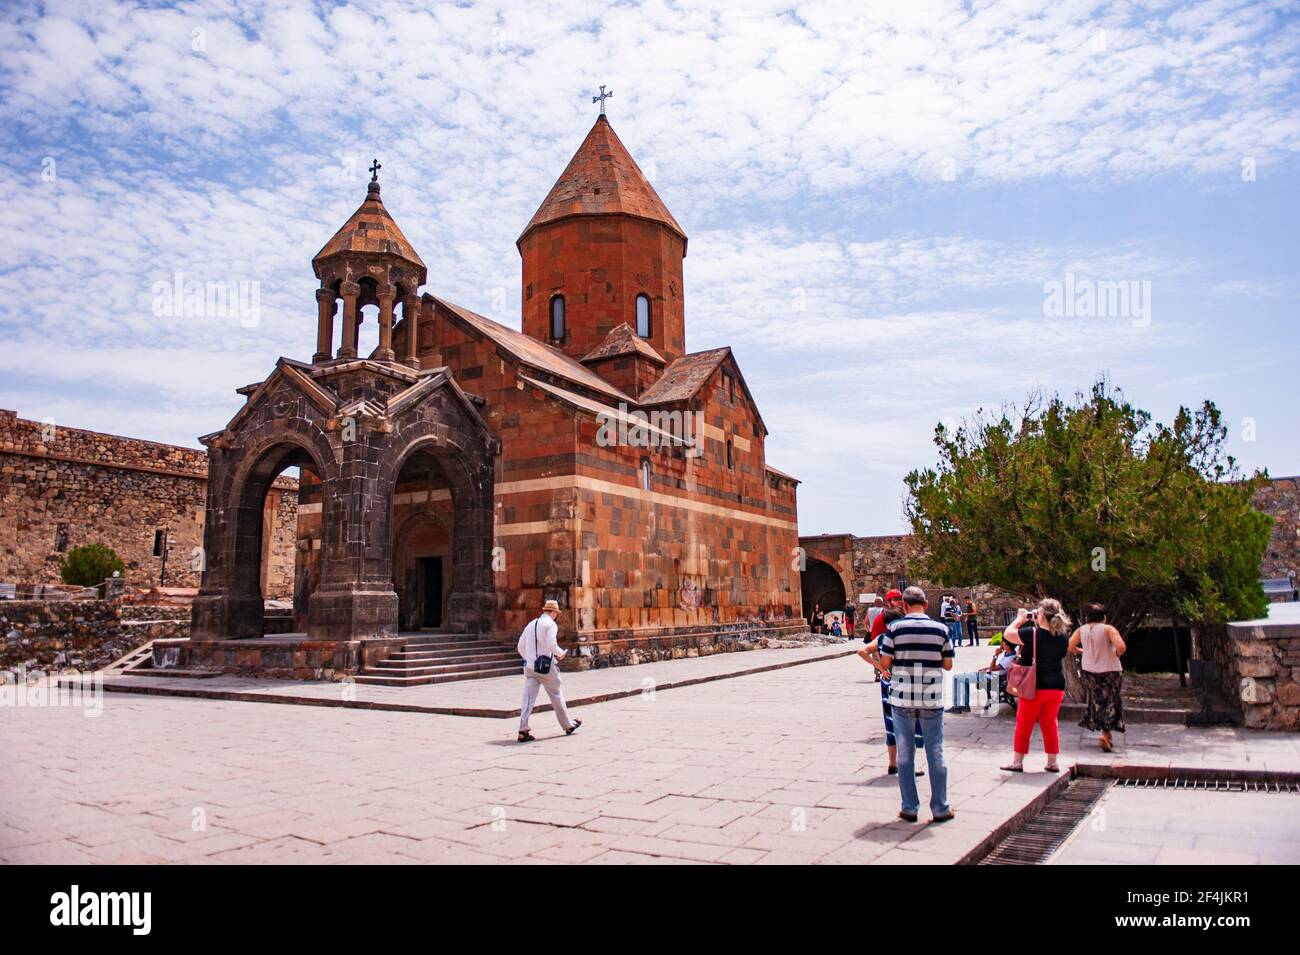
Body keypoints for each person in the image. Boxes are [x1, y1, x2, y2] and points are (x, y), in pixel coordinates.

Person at [878, 586, 955, 823]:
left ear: (904, 604)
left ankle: (910, 807)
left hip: (902, 697)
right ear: (926, 604)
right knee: (935, 751)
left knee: (905, 754)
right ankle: (941, 808)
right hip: (931, 696)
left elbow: (885, 661)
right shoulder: (940, 629)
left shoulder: (894, 629)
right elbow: (948, 665)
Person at [1000, 598, 1072, 773]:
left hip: (1034, 686)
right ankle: (1052, 761)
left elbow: (1008, 634)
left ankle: (1017, 762)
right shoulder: (1062, 637)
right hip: (1056, 686)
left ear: (1041, 615)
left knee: (1024, 723)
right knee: (1050, 723)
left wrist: (1020, 619)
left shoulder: (1031, 633)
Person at [858, 589, 924, 771]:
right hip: (907, 684)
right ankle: (910, 764)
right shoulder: (906, 636)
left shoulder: (882, 637)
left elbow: (862, 651)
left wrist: (880, 668)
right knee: (910, 724)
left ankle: (893, 764)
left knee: (891, 722)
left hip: (888, 685)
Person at [516, 599, 582, 743]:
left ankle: (523, 729)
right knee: (556, 695)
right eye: (556, 613)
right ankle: (568, 725)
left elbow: (520, 646)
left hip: (530, 667)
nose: (556, 616)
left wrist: (530, 659)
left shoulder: (531, 624)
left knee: (527, 698)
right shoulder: (550, 624)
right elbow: (551, 644)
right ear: (552, 612)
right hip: (545, 667)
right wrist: (560, 653)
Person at [1069, 603, 1127, 752]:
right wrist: (1114, 654)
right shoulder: (1108, 629)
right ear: (1104, 617)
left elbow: (1069, 646)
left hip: (1090, 670)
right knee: (1111, 701)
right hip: (1110, 670)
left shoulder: (1082, 630)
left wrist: (1083, 651)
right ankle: (1105, 735)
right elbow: (1121, 647)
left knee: (1097, 700)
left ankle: (1107, 735)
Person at [947, 641, 1017, 713]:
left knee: (955, 677)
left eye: (1004, 644)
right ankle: (965, 706)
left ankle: (956, 706)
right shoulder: (1009, 655)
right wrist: (986, 668)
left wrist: (996, 655)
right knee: (964, 677)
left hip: (990, 679)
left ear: (1008, 646)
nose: (1002, 644)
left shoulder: (1009, 658)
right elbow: (994, 667)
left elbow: (992, 668)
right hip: (990, 675)